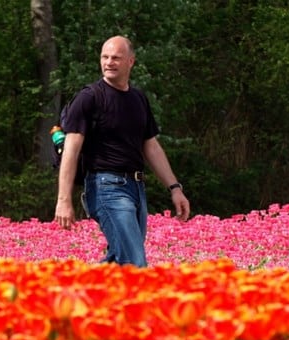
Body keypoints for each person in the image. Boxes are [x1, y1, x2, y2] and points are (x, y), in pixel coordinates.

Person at [54, 36, 190, 267]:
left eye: (116, 58)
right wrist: (64, 200)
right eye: (104, 57)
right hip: (106, 187)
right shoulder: (89, 98)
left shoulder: (138, 99)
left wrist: (175, 188)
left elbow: (151, 146)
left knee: (120, 261)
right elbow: (71, 150)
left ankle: (73, 289)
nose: (109, 62)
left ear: (131, 61)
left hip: (136, 187)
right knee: (134, 263)